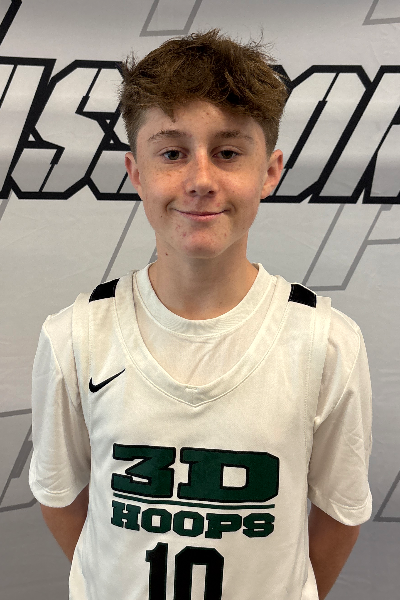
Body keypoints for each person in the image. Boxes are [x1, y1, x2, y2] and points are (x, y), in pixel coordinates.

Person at [29, 28, 373, 600]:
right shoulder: (75, 335)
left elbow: (341, 513)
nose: (201, 181)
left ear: (270, 171)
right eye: (172, 153)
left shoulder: (327, 342)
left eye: (228, 153)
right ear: (136, 172)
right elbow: (61, 498)